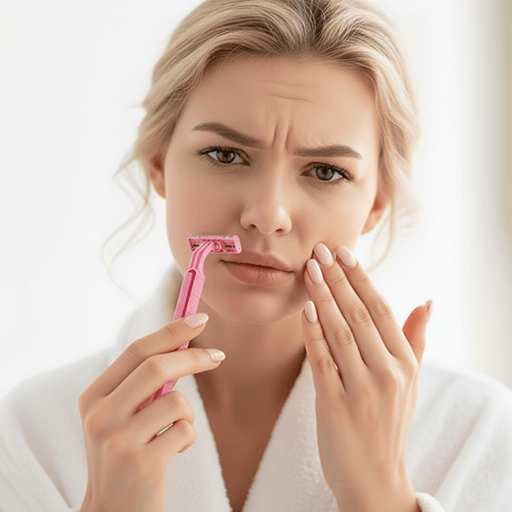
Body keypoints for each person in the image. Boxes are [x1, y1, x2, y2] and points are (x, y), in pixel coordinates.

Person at [1, 0, 512, 511]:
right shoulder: (31, 436)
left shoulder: (477, 434)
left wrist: (379, 495)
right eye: (225, 155)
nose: (267, 215)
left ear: (377, 203)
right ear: (158, 163)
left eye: (326, 171)